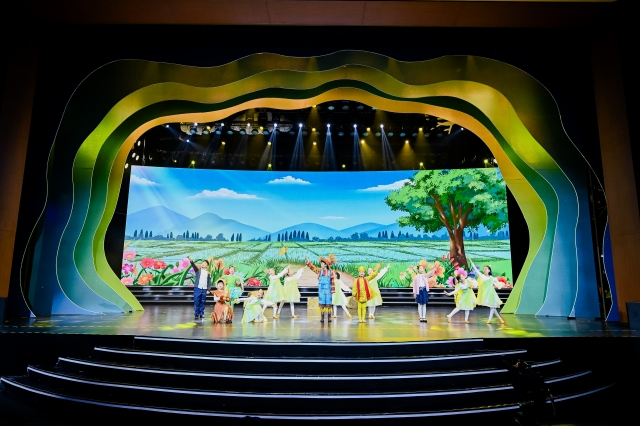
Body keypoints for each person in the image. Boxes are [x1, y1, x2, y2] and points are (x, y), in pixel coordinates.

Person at [469, 258, 505, 324]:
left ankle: (490, 320)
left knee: (493, 307)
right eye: (484, 269)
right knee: (493, 307)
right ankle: (500, 319)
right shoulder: (482, 276)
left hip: (492, 294)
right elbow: (475, 269)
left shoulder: (492, 278)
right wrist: (471, 261)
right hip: (485, 294)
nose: (484, 270)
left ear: (489, 270)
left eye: (486, 269)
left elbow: (497, 284)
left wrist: (501, 284)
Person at [306, 254, 337, 323]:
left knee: (328, 303)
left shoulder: (330, 272)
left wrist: (333, 290)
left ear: (325, 265)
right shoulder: (320, 271)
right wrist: (309, 262)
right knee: (322, 303)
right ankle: (322, 317)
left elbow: (332, 282)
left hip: (328, 290)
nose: (321, 264)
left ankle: (329, 317)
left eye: (322, 263)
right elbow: (313, 268)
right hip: (321, 290)